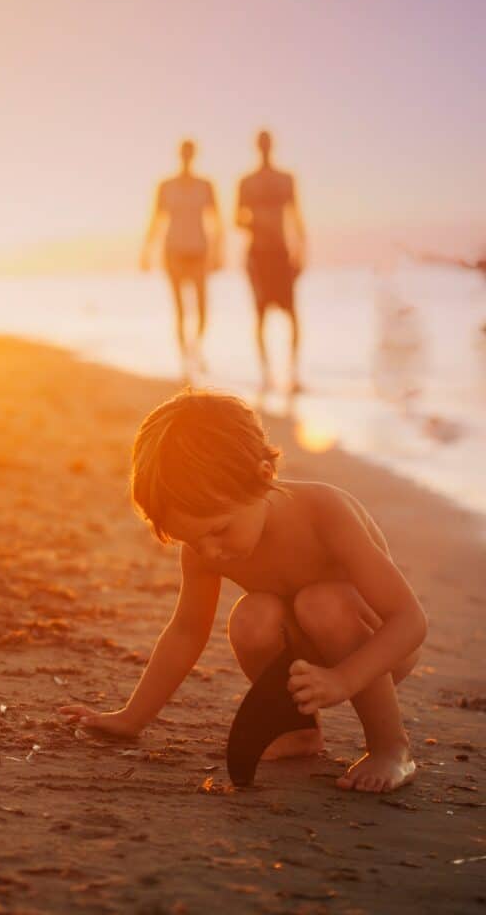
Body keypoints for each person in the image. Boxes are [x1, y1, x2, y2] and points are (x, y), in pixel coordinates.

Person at [60, 390, 426, 794]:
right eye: (193, 541)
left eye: (218, 531)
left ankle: (392, 746)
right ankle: (298, 728)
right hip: (307, 657)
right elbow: (186, 632)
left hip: (378, 650)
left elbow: (409, 621)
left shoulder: (324, 513)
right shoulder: (206, 546)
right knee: (251, 616)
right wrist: (132, 717)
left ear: (264, 475)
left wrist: (343, 679)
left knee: (321, 603)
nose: (210, 552)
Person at [141, 140, 224, 374]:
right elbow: (156, 220)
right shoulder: (166, 187)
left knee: (202, 308)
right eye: (184, 152)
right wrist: (147, 251)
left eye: (190, 153)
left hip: (199, 251)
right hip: (174, 252)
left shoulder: (205, 185)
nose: (187, 156)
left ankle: (195, 347)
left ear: (194, 155)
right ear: (180, 155)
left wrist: (218, 252)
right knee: (179, 309)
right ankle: (184, 359)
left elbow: (216, 221)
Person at [235, 130, 306, 392]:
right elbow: (237, 218)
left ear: (271, 146)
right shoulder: (246, 182)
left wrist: (302, 250)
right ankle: (265, 373)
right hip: (258, 254)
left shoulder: (286, 180)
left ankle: (293, 372)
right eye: (261, 144)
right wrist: (257, 224)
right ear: (257, 146)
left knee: (292, 315)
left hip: (281, 252)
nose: (265, 147)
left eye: (267, 143)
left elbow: (296, 215)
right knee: (260, 314)